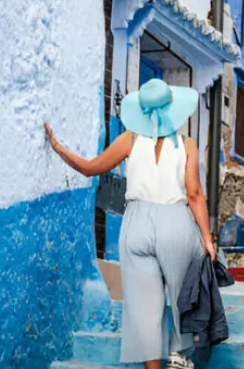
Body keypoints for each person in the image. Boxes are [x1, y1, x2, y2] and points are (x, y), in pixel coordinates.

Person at [45, 78, 216, 369]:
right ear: (172, 110)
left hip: (135, 224)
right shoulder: (187, 144)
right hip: (175, 222)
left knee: (143, 307)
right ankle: (179, 354)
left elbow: (89, 168)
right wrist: (207, 237)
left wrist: (58, 148)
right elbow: (194, 193)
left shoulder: (129, 140)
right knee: (181, 296)